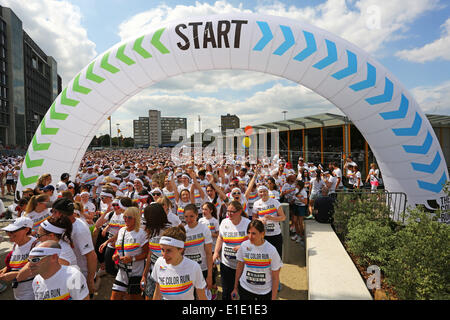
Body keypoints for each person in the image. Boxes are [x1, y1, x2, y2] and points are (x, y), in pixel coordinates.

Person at [50, 198, 97, 298]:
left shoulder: (79, 230)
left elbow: (91, 255)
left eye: (54, 212)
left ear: (61, 214)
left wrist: (90, 279)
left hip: (81, 274)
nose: (52, 215)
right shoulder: (64, 224)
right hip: (70, 271)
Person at [151, 226, 207, 300]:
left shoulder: (193, 267)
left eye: (169, 250)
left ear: (180, 249)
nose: (164, 255)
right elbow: (157, 293)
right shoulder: (159, 263)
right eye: (162, 249)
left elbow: (202, 296)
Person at [232, 219, 283, 300]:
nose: (250, 236)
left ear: (262, 234)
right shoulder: (244, 246)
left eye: (254, 233)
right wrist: (235, 287)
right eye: (248, 233)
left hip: (265, 292)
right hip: (245, 289)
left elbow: (275, 277)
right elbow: (239, 267)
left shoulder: (271, 250)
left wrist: (273, 298)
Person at [213, 201, 250, 300]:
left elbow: (254, 242)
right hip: (226, 264)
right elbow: (220, 238)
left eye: (232, 211)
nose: (229, 214)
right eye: (227, 211)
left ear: (239, 211)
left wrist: (242, 247)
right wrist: (216, 252)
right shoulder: (224, 222)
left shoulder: (247, 223)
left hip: (242, 265)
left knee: (241, 292)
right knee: (227, 291)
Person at [111, 207, 149, 300]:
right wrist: (115, 256)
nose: (126, 219)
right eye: (124, 217)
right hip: (122, 271)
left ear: (136, 219)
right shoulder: (121, 231)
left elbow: (147, 253)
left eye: (129, 217)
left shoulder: (141, 233)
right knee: (114, 297)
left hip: (136, 273)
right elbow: (118, 249)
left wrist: (132, 259)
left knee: (134, 298)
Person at [141, 203, 171, 300]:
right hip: (152, 271)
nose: (145, 219)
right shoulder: (151, 230)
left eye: (147, 217)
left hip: (167, 273)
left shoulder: (169, 231)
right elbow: (150, 253)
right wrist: (144, 275)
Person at [0, 217, 36, 300]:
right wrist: (6, 269)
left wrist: (15, 275)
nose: (9, 234)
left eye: (13, 231)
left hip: (32, 292)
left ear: (26, 229)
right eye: (8, 231)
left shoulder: (36, 245)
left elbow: (41, 268)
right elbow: (19, 263)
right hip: (18, 292)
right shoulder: (15, 245)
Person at [183, 204, 213, 293]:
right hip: (187, 270)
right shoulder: (183, 231)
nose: (188, 219)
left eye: (191, 216)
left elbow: (208, 253)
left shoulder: (204, 229)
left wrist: (210, 275)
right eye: (186, 217)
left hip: (202, 269)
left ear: (197, 215)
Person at [252, 185, 286, 258]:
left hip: (275, 234)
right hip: (263, 235)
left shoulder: (275, 202)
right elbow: (254, 218)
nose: (263, 193)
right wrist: (260, 220)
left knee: (277, 257)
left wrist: (272, 218)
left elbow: (283, 217)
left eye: (264, 191)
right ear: (258, 193)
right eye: (260, 192)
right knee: (265, 257)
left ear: (267, 192)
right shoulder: (256, 204)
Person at [198, 202, 220, 299]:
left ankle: (214, 287)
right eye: (202, 209)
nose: (203, 211)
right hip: (203, 248)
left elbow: (219, 235)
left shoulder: (215, 221)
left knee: (212, 268)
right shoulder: (201, 220)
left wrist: (208, 234)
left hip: (212, 248)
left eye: (206, 209)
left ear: (211, 210)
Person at [291, 181, 308, 246]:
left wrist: (299, 198)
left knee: (300, 222)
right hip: (296, 206)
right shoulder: (296, 190)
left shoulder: (304, 192)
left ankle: (301, 236)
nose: (295, 185)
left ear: (299, 185)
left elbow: (306, 202)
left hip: (301, 207)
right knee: (295, 221)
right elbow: (294, 198)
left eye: (296, 184)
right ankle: (297, 234)